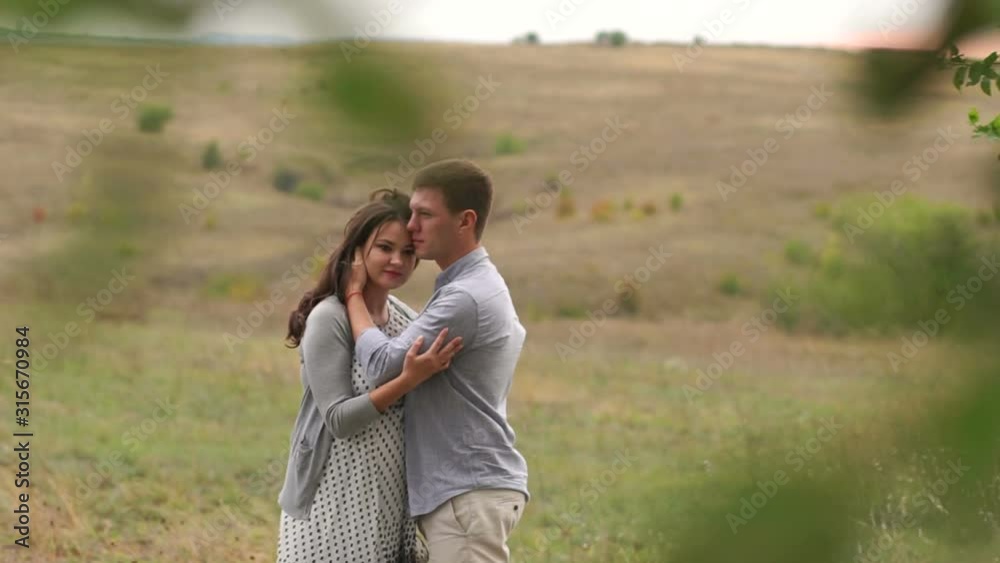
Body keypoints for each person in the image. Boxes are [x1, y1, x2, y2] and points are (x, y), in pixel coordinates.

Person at [344, 159, 529, 563]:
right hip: (468, 492)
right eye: (412, 213)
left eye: (425, 215)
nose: (411, 226)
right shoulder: (476, 285)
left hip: (468, 494)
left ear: (465, 221)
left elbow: (381, 366)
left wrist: (353, 295)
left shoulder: (465, 297)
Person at [275, 189, 459, 563]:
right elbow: (339, 419)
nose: (397, 260)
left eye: (408, 251)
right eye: (385, 248)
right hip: (332, 499)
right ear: (358, 252)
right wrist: (407, 380)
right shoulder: (330, 318)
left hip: (391, 499)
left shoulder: (406, 318)